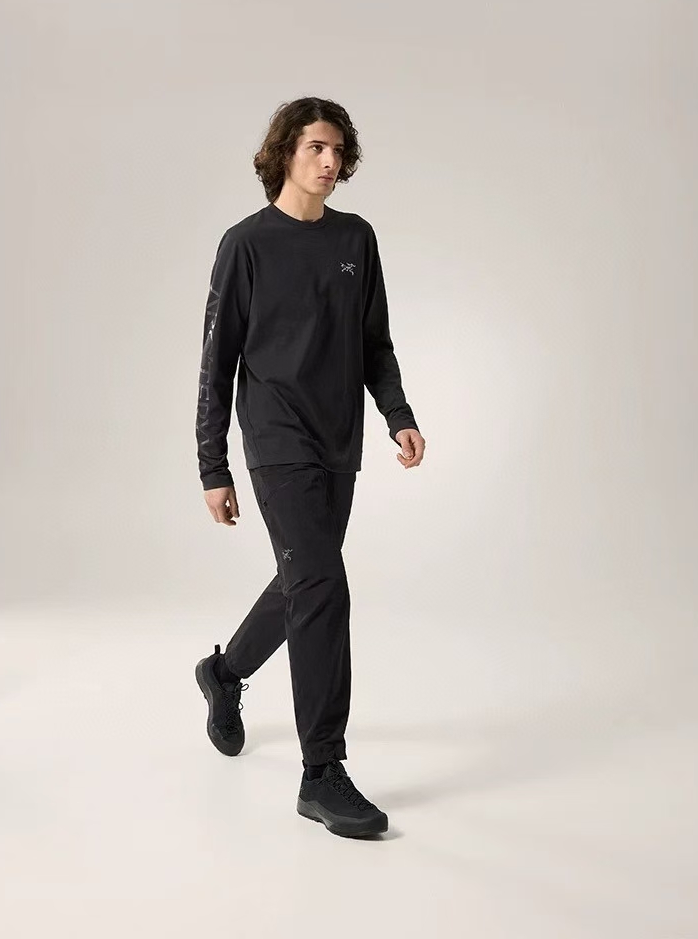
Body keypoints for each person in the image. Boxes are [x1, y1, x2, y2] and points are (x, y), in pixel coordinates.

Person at [193, 96, 426, 838]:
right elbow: (217, 360)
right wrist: (212, 464)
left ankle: (224, 673)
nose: (330, 162)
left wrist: (397, 414)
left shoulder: (356, 237)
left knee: (304, 577)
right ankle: (321, 772)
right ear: (285, 153)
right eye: (316, 148)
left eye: (338, 151)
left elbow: (374, 341)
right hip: (275, 436)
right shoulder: (246, 244)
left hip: (338, 439)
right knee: (324, 584)